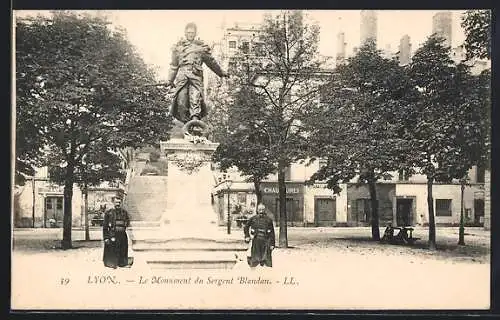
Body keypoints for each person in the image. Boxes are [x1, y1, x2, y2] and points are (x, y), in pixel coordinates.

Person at [166, 22, 229, 125]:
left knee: (195, 99)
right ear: (185, 33)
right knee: (181, 102)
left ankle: (195, 123)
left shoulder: (201, 48)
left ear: (195, 33)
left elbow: (211, 62)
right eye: (188, 32)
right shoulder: (178, 48)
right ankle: (187, 126)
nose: (190, 34)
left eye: (192, 32)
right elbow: (173, 66)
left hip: (196, 76)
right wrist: (169, 80)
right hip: (182, 78)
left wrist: (221, 72)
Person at [243, 203, 276, 268]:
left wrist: (272, 244)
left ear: (264, 210)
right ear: (257, 210)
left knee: (266, 260)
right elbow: (246, 227)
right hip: (256, 241)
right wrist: (247, 236)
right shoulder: (253, 219)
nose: (261, 211)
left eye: (262, 209)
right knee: (254, 260)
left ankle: (267, 275)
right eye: (259, 209)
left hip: (265, 241)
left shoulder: (268, 220)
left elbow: (272, 233)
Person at [103, 197, 131, 268]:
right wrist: (106, 237)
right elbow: (105, 227)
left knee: (123, 248)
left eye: (119, 202)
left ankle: (122, 263)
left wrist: (123, 225)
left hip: (122, 234)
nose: (118, 204)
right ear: (113, 203)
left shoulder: (124, 212)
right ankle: (112, 264)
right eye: (116, 202)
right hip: (112, 234)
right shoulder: (108, 213)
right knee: (112, 248)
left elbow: (127, 222)